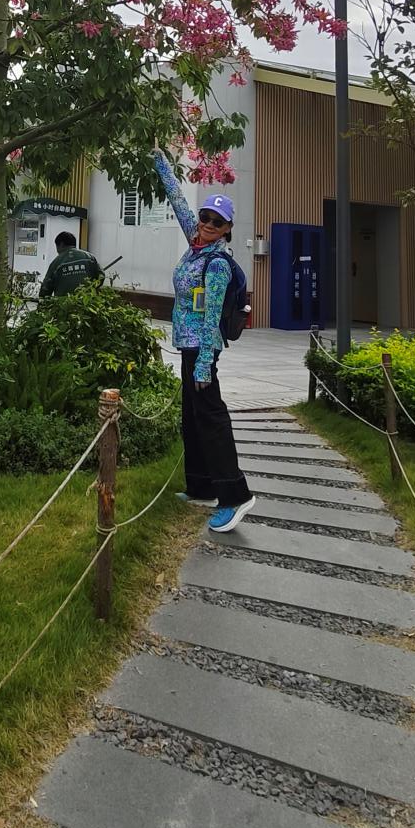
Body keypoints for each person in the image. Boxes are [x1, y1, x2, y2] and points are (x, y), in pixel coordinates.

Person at [153, 142, 255, 534]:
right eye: (205, 216)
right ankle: (201, 486)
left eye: (217, 221)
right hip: (187, 345)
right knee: (192, 417)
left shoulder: (216, 264)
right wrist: (159, 159)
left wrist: (204, 365)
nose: (208, 224)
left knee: (211, 418)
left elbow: (212, 318)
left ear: (228, 229)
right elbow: (178, 200)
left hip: (202, 350)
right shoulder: (195, 246)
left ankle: (235, 496)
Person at [39, 231, 103, 299]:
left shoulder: (56, 262)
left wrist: (42, 300)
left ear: (61, 244)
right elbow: (101, 276)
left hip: (63, 303)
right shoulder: (90, 257)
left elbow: (46, 287)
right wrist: (93, 288)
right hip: (88, 301)